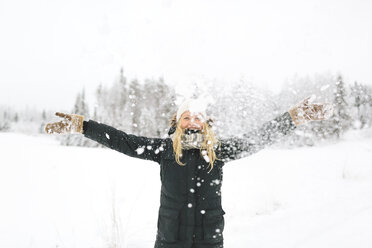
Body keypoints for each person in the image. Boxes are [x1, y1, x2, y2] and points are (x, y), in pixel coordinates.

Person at [45, 96, 333, 248]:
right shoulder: (165, 150)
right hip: (169, 241)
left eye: (197, 116)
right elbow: (123, 140)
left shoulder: (218, 151)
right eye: (186, 116)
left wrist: (294, 117)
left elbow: (258, 138)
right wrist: (83, 126)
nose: (192, 120)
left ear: (205, 123)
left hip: (209, 241)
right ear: (178, 122)